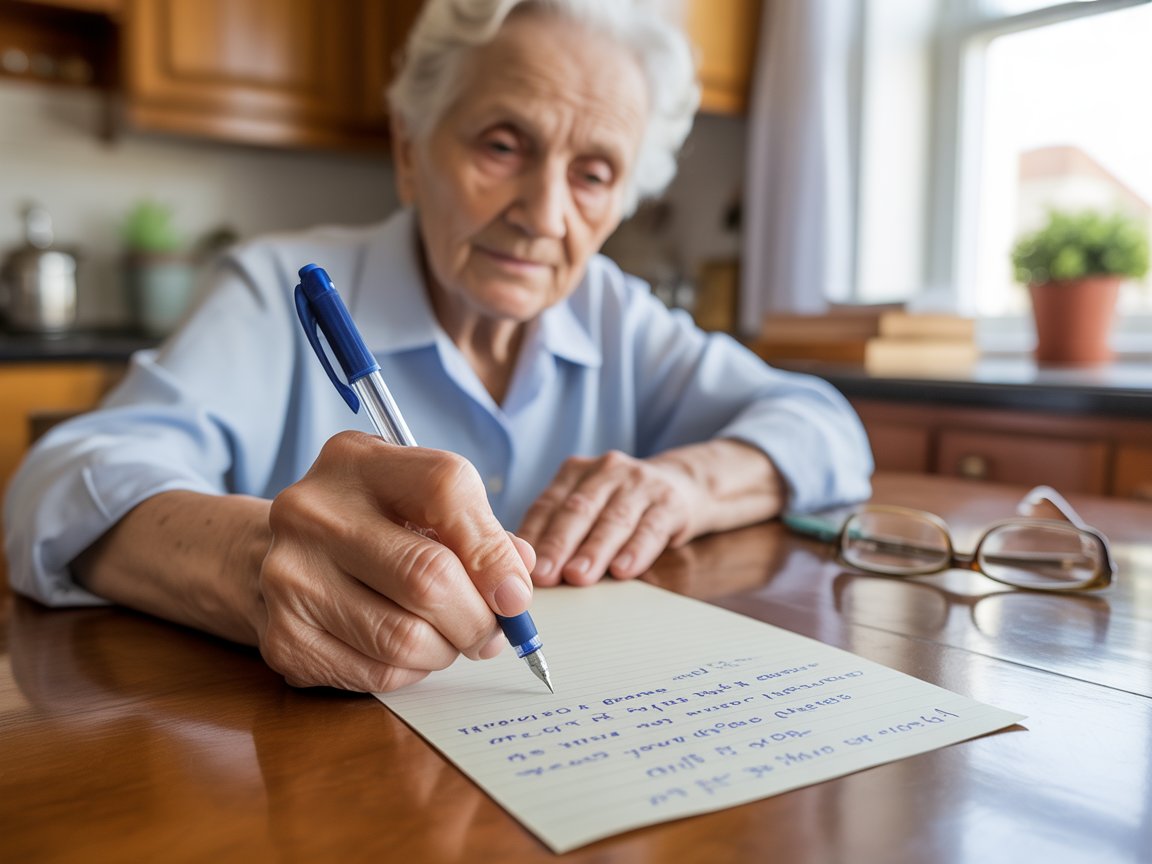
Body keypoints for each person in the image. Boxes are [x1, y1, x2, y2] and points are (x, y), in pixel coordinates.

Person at [3, 0, 872, 693]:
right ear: (411, 151)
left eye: (594, 172)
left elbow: (824, 425)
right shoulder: (278, 293)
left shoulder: (617, 313)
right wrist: (256, 562)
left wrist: (685, 485)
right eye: (504, 144)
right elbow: (55, 487)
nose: (545, 213)